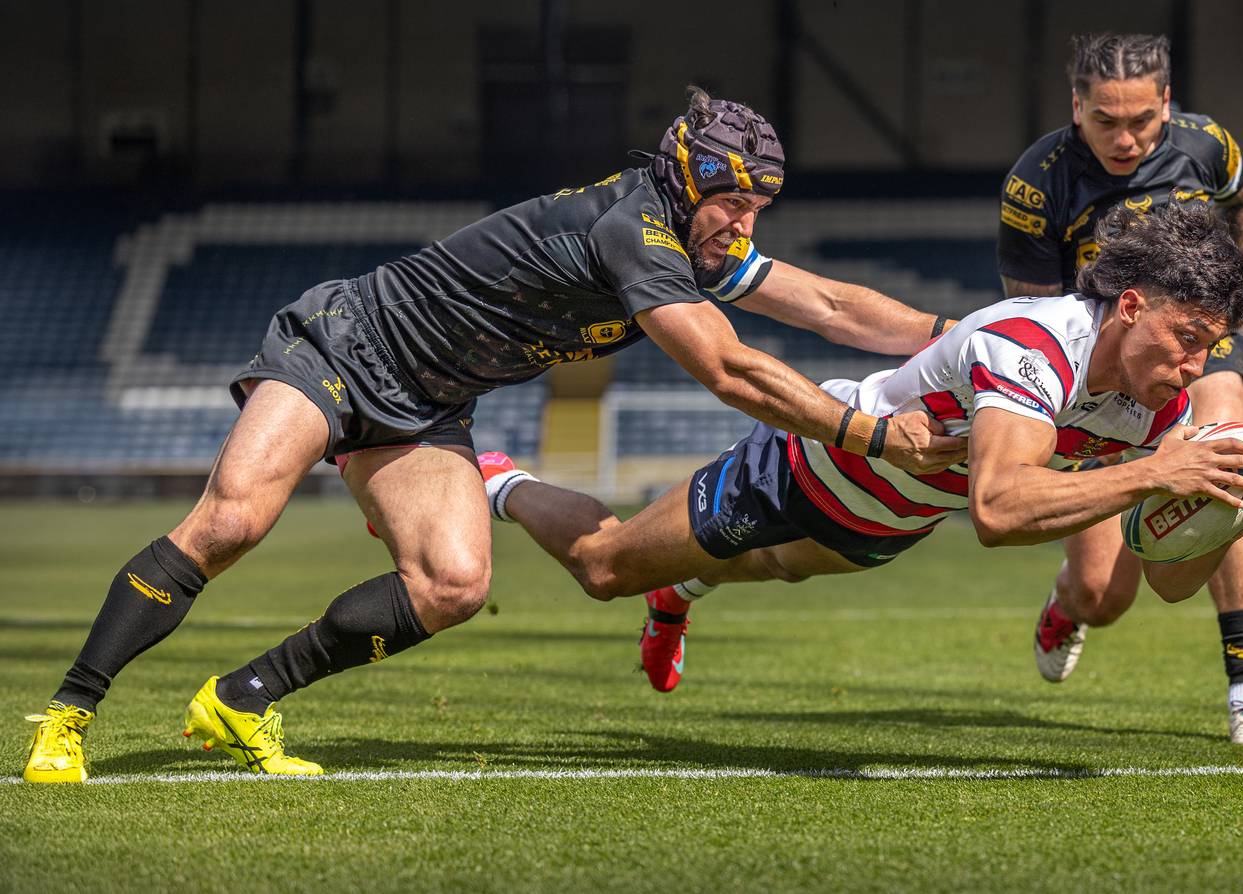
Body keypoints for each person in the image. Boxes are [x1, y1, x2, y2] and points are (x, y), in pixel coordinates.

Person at [21, 87, 966, 782]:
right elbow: (729, 371)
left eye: (759, 207)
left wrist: (960, 339)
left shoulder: (700, 240)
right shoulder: (638, 231)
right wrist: (872, 434)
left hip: (430, 409)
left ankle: (240, 702)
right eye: (734, 203)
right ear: (685, 178)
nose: (746, 223)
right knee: (230, 523)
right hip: (345, 345)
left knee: (454, 585)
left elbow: (835, 306)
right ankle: (69, 713)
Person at [480, 204, 1243, 714]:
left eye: (1209, 349)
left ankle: (680, 594)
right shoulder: (1034, 346)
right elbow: (999, 512)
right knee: (605, 567)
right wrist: (1152, 475)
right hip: (806, 465)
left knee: (766, 569)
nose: (1193, 367)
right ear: (1132, 307)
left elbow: (1166, 576)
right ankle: (500, 480)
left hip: (892, 522)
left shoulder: (1158, 405)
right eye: (1186, 340)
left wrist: (1218, 511)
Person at [995, 33, 1243, 745]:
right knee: (1103, 594)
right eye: (1104, 122)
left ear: (1166, 101)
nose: (1124, 139)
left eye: (1141, 121)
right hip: (1098, 376)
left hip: (1194, 344)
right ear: (1077, 106)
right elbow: (1032, 317)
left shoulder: (1208, 144)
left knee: (1232, 447)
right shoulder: (1039, 181)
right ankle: (1066, 606)